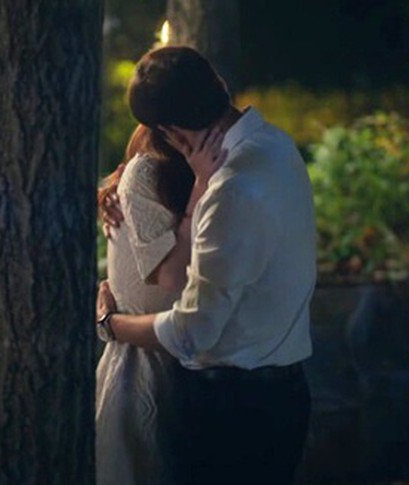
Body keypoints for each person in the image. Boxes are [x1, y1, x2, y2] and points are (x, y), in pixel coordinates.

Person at [97, 46, 316, 484]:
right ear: (218, 85)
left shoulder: (228, 190)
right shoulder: (277, 147)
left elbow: (194, 333)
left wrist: (110, 323)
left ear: (170, 131)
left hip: (229, 411)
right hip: (285, 396)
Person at [95, 122, 226, 485]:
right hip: (147, 365)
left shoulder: (185, 172)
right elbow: (171, 279)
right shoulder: (147, 172)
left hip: (182, 356)